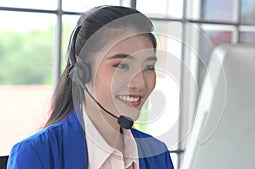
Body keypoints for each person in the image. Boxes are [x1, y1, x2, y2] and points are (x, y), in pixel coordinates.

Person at [7, 5, 174, 169]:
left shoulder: (157, 154)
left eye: (148, 67)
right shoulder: (37, 153)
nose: (140, 84)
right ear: (82, 70)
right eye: (122, 65)